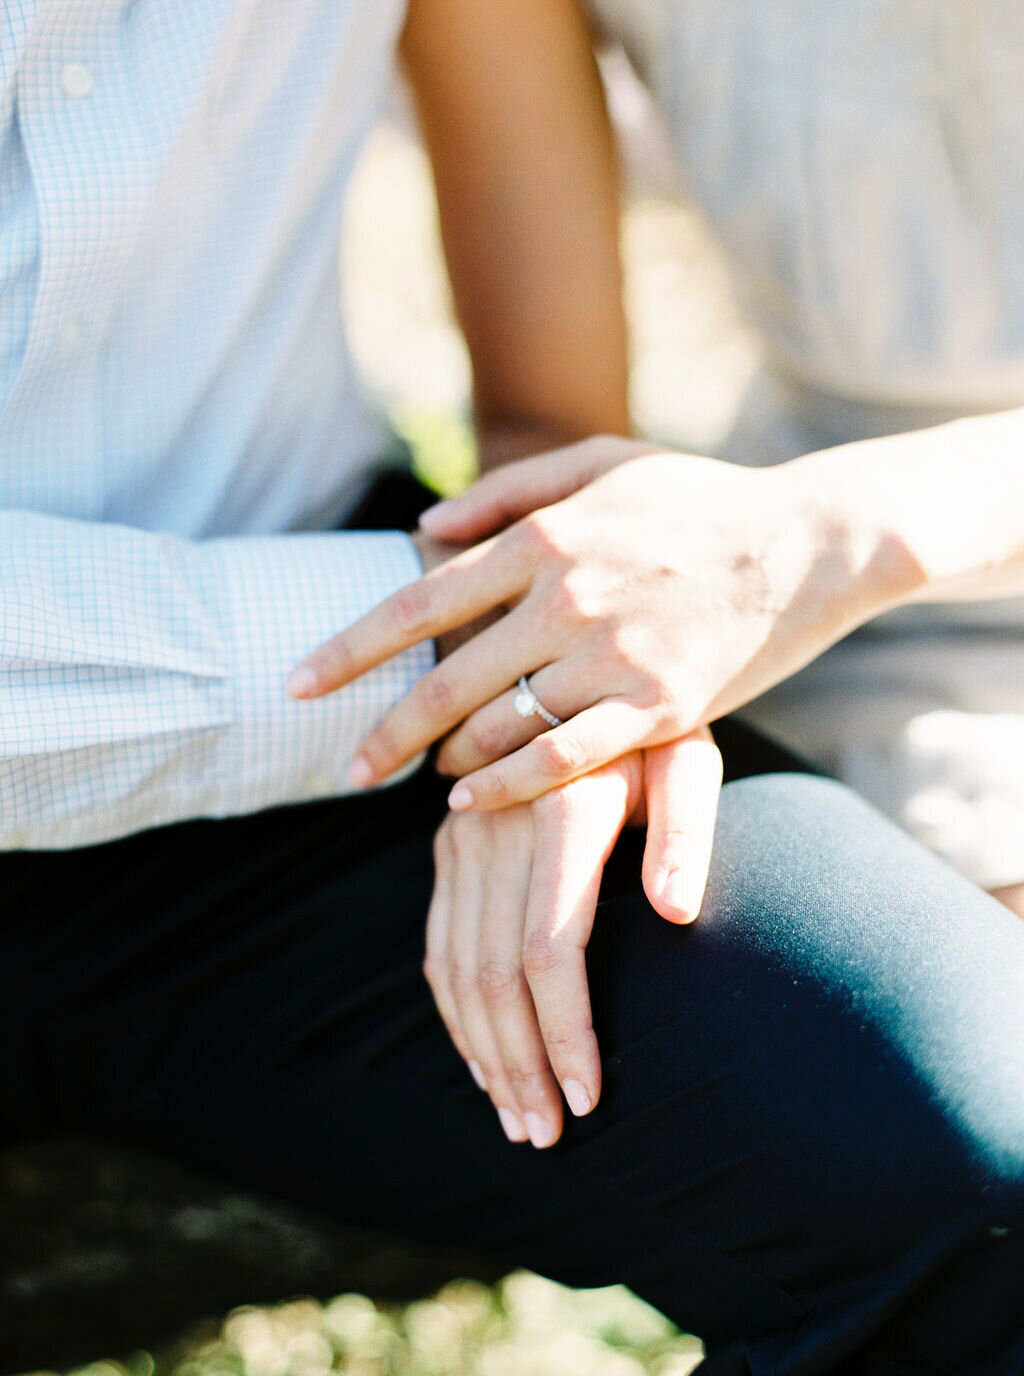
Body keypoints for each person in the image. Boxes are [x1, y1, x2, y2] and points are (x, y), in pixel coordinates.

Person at [2, 5, 1023, 1376]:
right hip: (362, 662)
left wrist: (538, 665)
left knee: (984, 1170)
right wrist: (479, 649)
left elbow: (546, 414)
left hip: (343, 765)